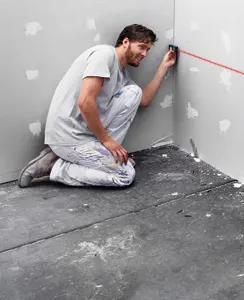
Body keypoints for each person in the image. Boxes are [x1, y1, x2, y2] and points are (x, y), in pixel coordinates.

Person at [17, 24, 176, 188]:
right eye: (142, 47)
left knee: (134, 93)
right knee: (125, 175)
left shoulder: (122, 74)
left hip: (85, 134)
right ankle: (54, 167)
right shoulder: (104, 55)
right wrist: (107, 140)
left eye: (147, 50)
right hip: (68, 136)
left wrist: (164, 66)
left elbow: (144, 100)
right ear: (126, 42)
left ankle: (96, 157)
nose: (144, 54)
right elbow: (85, 102)